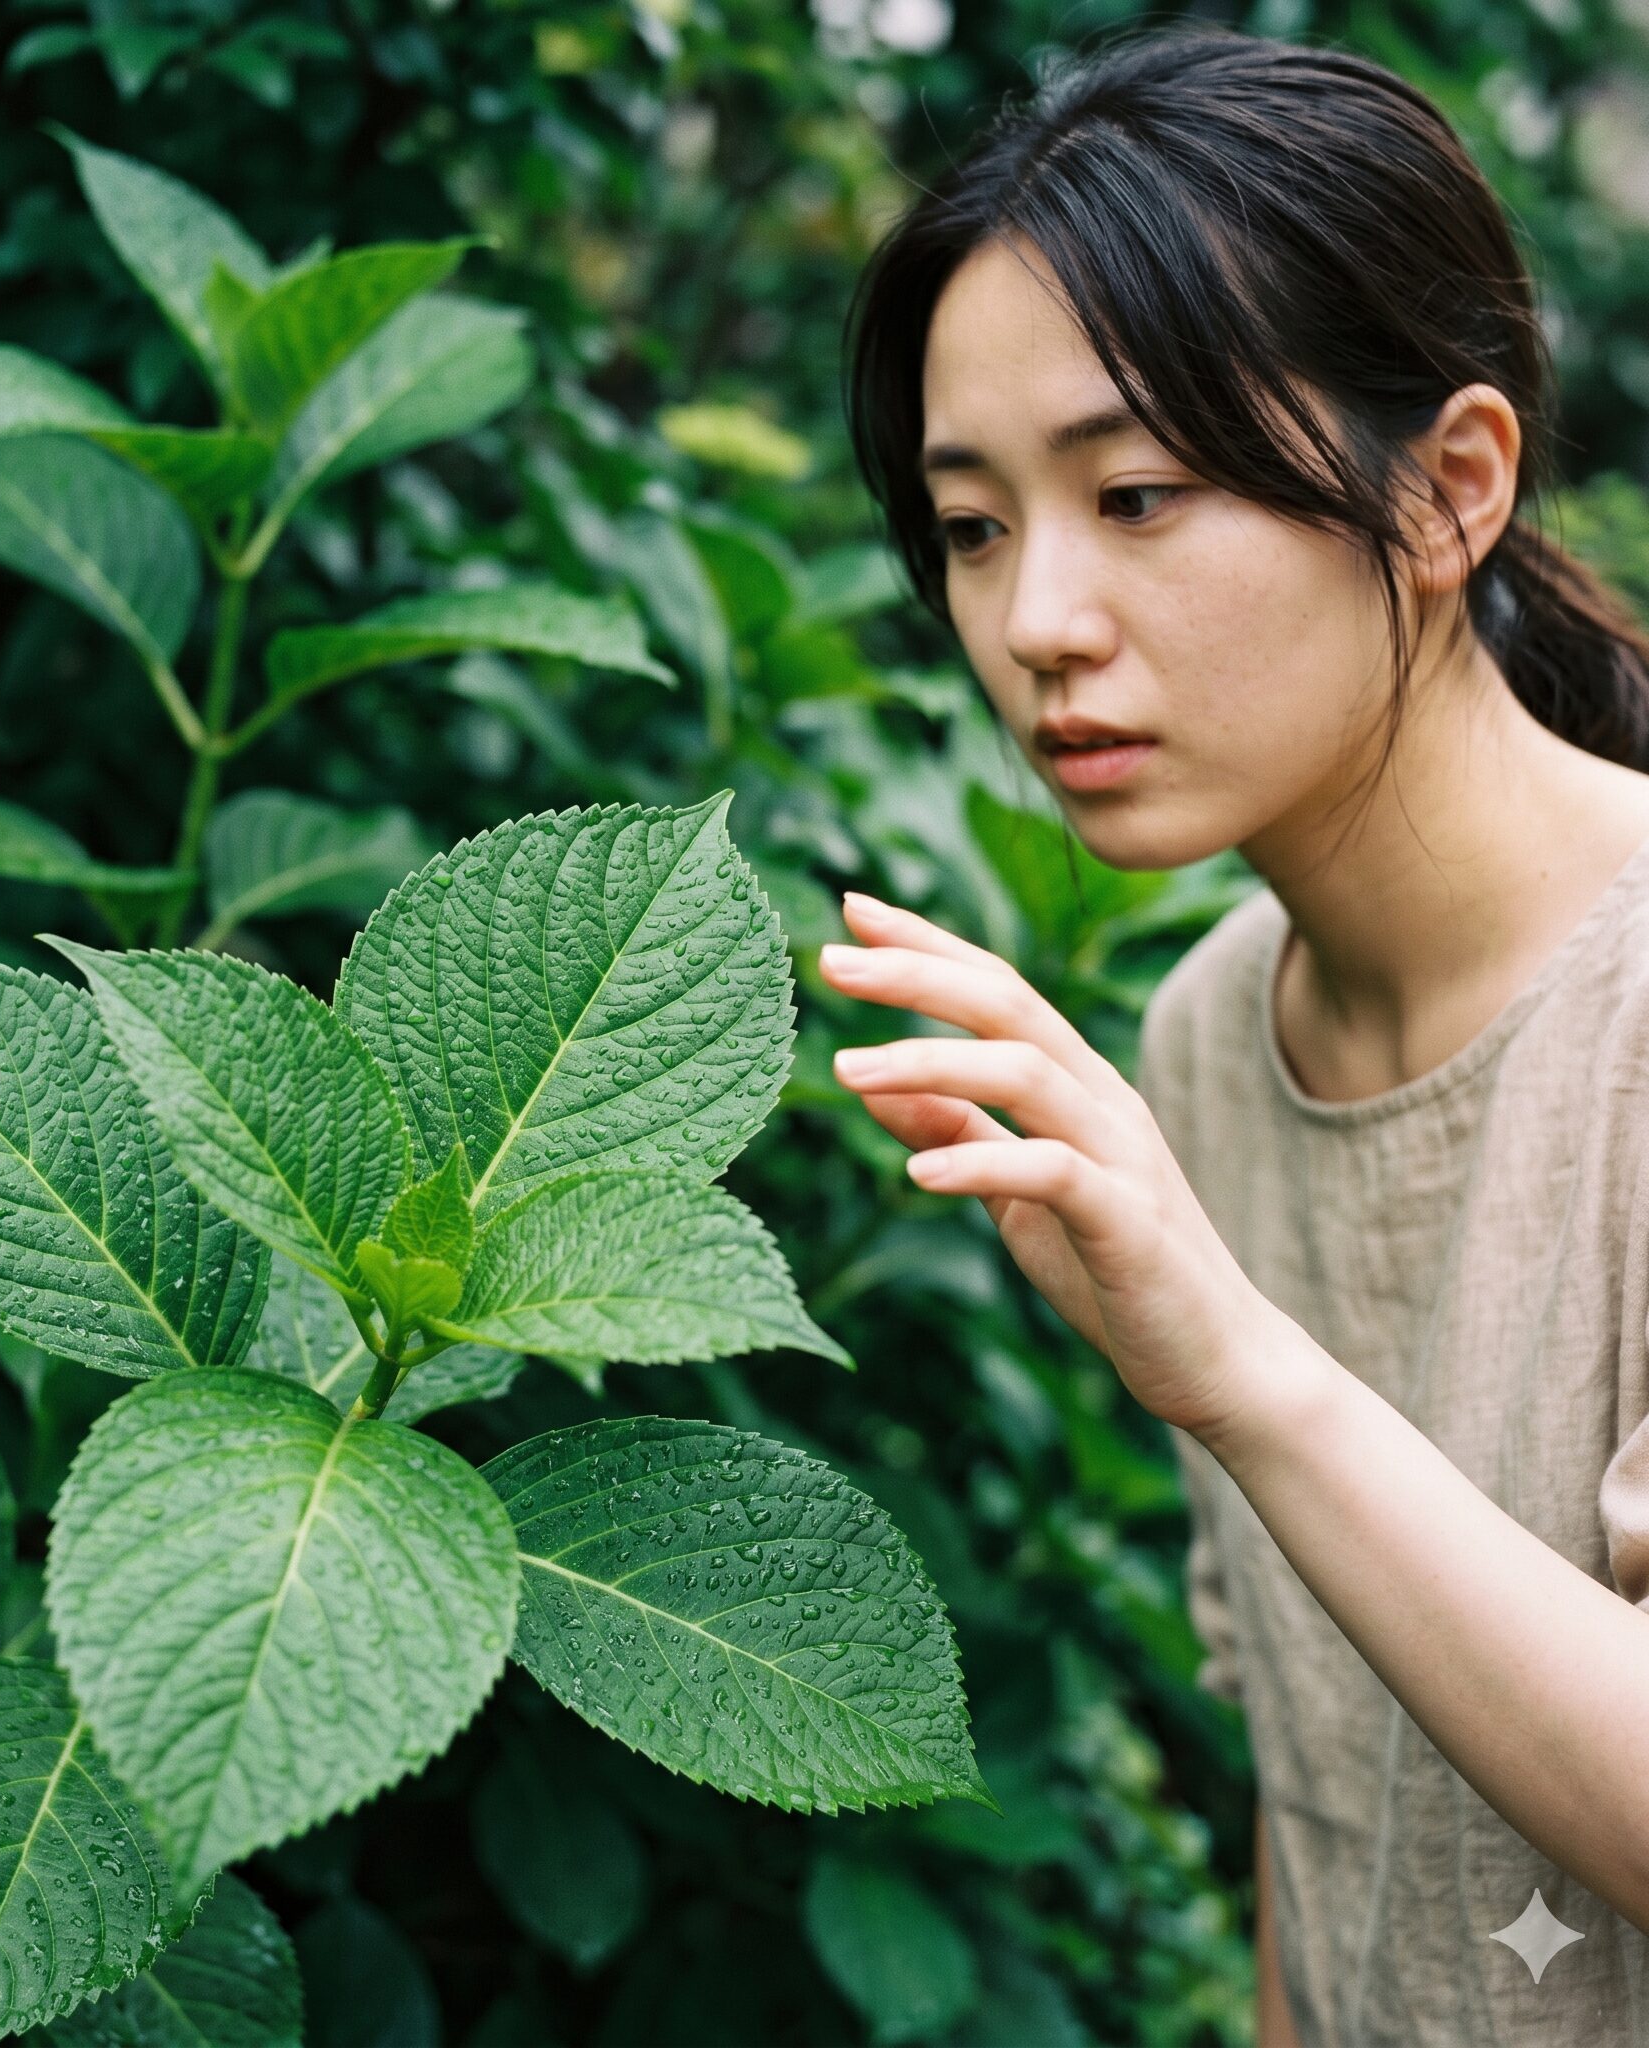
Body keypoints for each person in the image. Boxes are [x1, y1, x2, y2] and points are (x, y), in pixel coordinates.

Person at [822, 24, 1649, 2048]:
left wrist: (1242, 1369)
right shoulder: (1203, 1036)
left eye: (1135, 492)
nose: (1036, 621)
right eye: (973, 523)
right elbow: (1326, 1790)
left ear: (1447, 490)